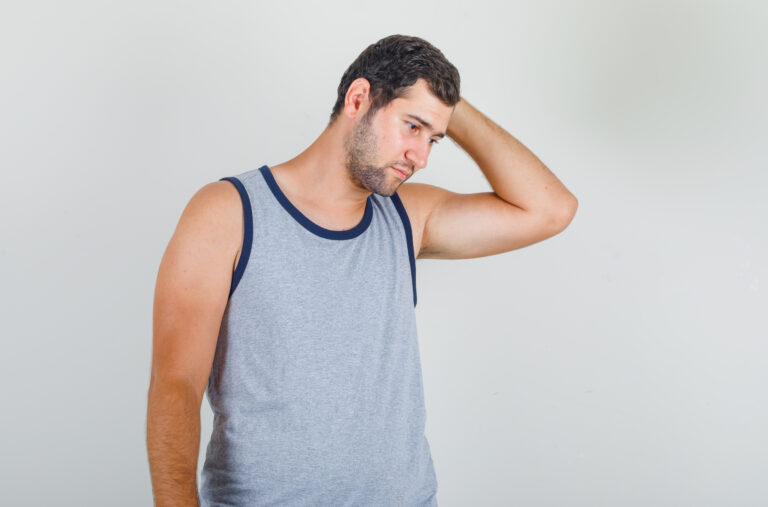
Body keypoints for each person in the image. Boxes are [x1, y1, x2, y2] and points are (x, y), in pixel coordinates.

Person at [147, 34, 577, 506]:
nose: (423, 157)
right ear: (358, 98)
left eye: (435, 138)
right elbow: (177, 384)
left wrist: (445, 101)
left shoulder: (407, 218)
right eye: (412, 127)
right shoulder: (228, 212)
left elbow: (550, 209)